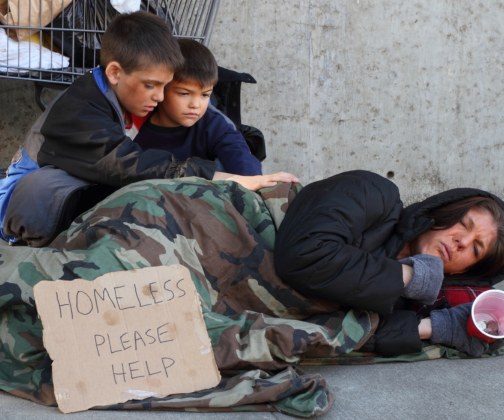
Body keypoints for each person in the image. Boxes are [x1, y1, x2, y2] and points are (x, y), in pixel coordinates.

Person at [0, 11, 297, 247]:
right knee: (48, 186)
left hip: (86, 190)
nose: (159, 97)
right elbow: (126, 164)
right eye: (152, 86)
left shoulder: (136, 94)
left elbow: (219, 129)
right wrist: (220, 177)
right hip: (24, 209)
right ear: (115, 72)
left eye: (167, 87)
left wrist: (255, 180)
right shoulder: (79, 111)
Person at [274, 169, 504, 357]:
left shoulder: (403, 302)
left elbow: (333, 334)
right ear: (443, 211)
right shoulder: (374, 193)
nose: (462, 241)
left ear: (465, 271)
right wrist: (411, 276)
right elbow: (303, 254)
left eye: (475, 249)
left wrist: (438, 327)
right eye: (464, 223)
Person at [133, 39, 262, 176]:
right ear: (161, 88)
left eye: (205, 95)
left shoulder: (214, 125)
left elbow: (243, 162)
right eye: (184, 93)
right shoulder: (135, 127)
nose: (195, 105)